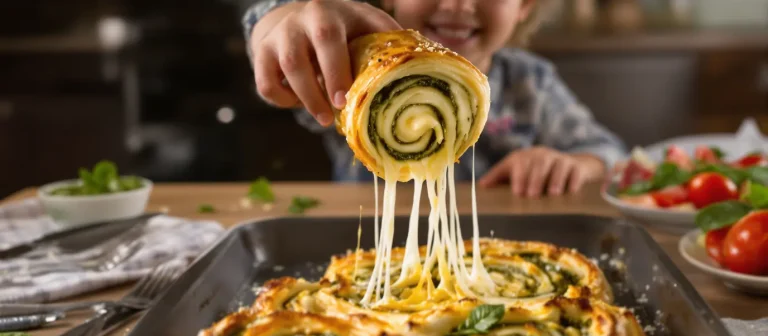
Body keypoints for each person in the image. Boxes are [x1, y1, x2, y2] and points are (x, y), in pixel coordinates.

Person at [241, 0, 627, 197]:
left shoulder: (530, 81)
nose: (458, 5)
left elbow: (610, 154)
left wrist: (571, 164)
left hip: (494, 246)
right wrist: (279, 20)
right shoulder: (353, 73)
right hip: (365, 249)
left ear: (524, 6)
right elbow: (288, 51)